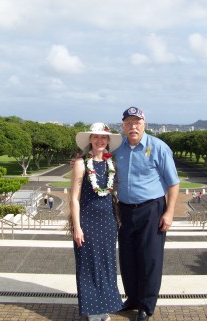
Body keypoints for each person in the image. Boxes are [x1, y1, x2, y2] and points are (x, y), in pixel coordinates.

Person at [115, 107, 179, 321]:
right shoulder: (118, 148)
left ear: (144, 124)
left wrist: (169, 213)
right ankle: (132, 298)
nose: (133, 126)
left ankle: (146, 304)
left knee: (150, 258)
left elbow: (173, 183)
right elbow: (95, 160)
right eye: (128, 123)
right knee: (127, 257)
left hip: (151, 209)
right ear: (123, 126)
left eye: (137, 122)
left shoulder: (158, 147)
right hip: (125, 210)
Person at [70, 122, 123, 321]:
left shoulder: (112, 163)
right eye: (96, 137)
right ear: (90, 140)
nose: (100, 140)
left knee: (107, 265)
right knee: (88, 264)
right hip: (87, 221)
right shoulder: (82, 164)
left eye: (104, 137)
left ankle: (105, 308)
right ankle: (92, 310)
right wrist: (77, 227)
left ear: (108, 141)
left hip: (108, 221)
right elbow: (74, 198)